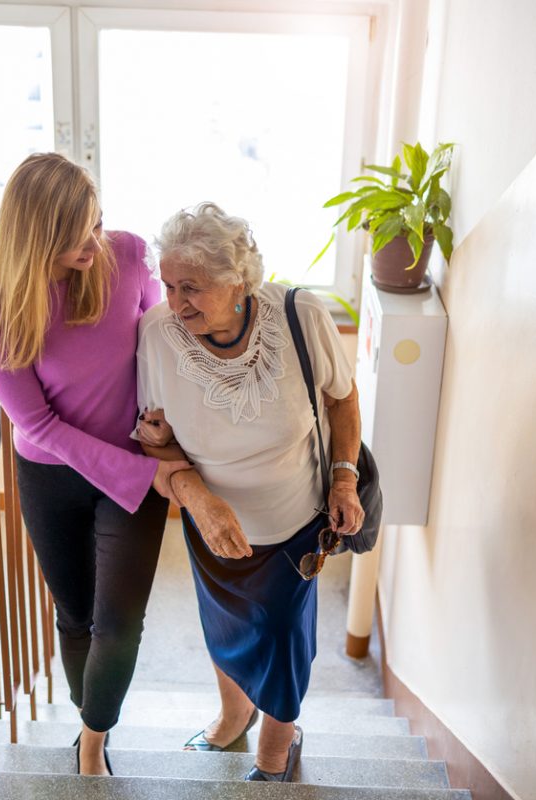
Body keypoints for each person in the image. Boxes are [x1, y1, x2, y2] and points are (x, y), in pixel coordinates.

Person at [0, 153, 191, 777]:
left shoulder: (125, 255)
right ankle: (90, 713)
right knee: (75, 616)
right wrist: (147, 476)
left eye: (98, 222)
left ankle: (93, 742)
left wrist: (162, 423)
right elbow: (36, 424)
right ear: (37, 235)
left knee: (119, 623)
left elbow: (161, 340)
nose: (96, 241)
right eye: (78, 234)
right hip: (53, 475)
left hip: (133, 463)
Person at [135, 202, 365, 782]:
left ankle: (275, 747)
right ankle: (234, 713)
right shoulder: (158, 334)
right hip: (211, 523)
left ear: (238, 281)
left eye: (193, 286)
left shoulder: (299, 314)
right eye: (167, 284)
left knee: (285, 635)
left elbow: (341, 398)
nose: (175, 301)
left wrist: (343, 476)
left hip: (296, 524)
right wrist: (196, 498)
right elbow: (155, 439)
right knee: (227, 626)